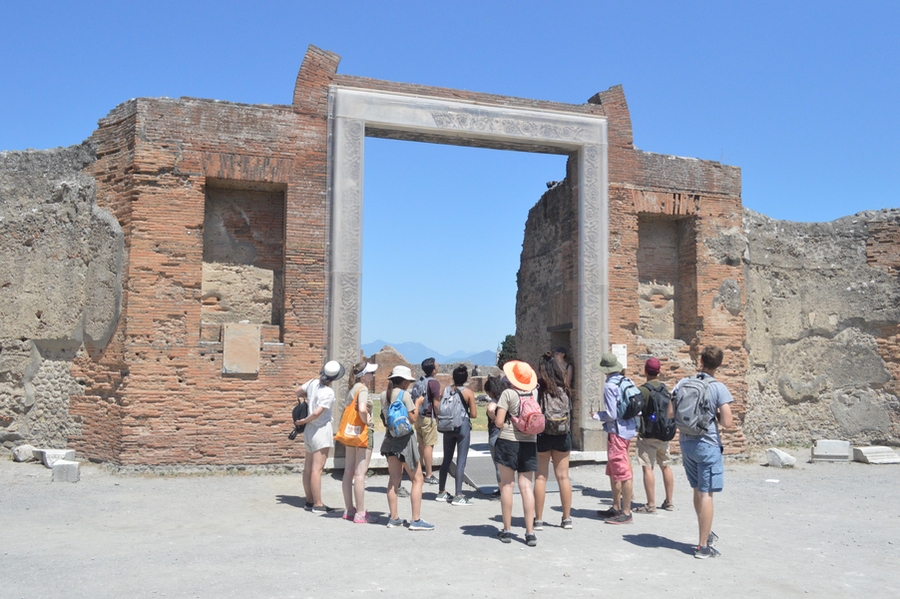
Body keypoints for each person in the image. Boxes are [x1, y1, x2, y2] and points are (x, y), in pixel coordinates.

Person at [670, 346, 734, 559]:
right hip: (707, 445)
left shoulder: (683, 383)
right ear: (719, 365)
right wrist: (715, 414)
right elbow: (727, 422)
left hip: (686, 443)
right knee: (706, 494)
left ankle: (706, 532)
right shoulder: (718, 388)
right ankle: (703, 546)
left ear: (701, 361)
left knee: (697, 490)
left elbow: (670, 413)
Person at [380, 365, 434, 531]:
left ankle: (394, 517)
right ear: (404, 381)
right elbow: (413, 418)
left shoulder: (383, 395)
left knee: (393, 479)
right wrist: (417, 403)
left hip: (390, 438)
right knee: (418, 479)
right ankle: (415, 519)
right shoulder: (405, 395)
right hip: (405, 440)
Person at [494, 360, 539, 547]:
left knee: (507, 485)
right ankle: (530, 532)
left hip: (508, 441)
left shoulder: (508, 394)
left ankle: (507, 530)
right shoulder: (534, 393)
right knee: (526, 487)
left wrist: (493, 413)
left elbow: (499, 422)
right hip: (529, 442)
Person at [295, 360, 345, 514]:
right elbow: (317, 413)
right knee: (317, 469)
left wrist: (310, 396)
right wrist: (305, 420)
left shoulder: (312, 383)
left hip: (309, 430)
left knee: (308, 468)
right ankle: (318, 504)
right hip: (321, 429)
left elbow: (297, 391)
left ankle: (309, 501)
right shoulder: (328, 392)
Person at [594, 352, 638, 525]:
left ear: (605, 370)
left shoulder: (609, 386)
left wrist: (598, 415)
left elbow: (611, 414)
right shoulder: (627, 381)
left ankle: (626, 512)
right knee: (615, 469)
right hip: (628, 429)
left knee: (621, 472)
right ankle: (616, 506)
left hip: (617, 432)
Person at [533, 352, 573, 530]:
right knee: (563, 477)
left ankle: (539, 519)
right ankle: (566, 518)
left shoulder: (539, 388)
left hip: (544, 434)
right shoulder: (565, 388)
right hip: (563, 434)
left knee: (541, 477)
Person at [633, 357, 675, 514]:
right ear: (659, 371)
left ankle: (651, 505)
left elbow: (635, 410)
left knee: (648, 468)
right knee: (666, 466)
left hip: (648, 436)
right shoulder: (665, 389)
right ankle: (669, 502)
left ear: (645, 371)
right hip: (664, 434)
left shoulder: (643, 390)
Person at [340, 361, 378, 523]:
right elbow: (362, 408)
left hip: (350, 432)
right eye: (370, 373)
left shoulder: (351, 389)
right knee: (360, 473)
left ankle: (349, 509)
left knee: (348, 471)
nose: (372, 375)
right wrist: (366, 420)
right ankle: (361, 513)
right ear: (363, 376)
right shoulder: (362, 388)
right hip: (362, 432)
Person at [435, 365, 478, 505]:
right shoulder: (468, 392)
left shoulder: (446, 390)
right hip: (462, 426)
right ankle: (458, 494)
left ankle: (441, 491)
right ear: (466, 378)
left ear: (453, 377)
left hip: (448, 426)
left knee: (446, 459)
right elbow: (474, 414)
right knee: (461, 460)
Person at [414, 358, 441, 486]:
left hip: (419, 416)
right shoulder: (434, 383)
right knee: (429, 445)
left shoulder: (421, 381)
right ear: (433, 370)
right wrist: (439, 417)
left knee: (421, 444)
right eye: (436, 364)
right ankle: (429, 474)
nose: (438, 365)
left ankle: (419, 470)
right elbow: (436, 404)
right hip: (428, 418)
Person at [483, 375, 508, 497]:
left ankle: (501, 491)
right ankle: (506, 488)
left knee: (498, 465)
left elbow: (490, 409)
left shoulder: (494, 401)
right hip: (506, 434)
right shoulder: (505, 398)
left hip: (495, 434)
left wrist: (494, 418)